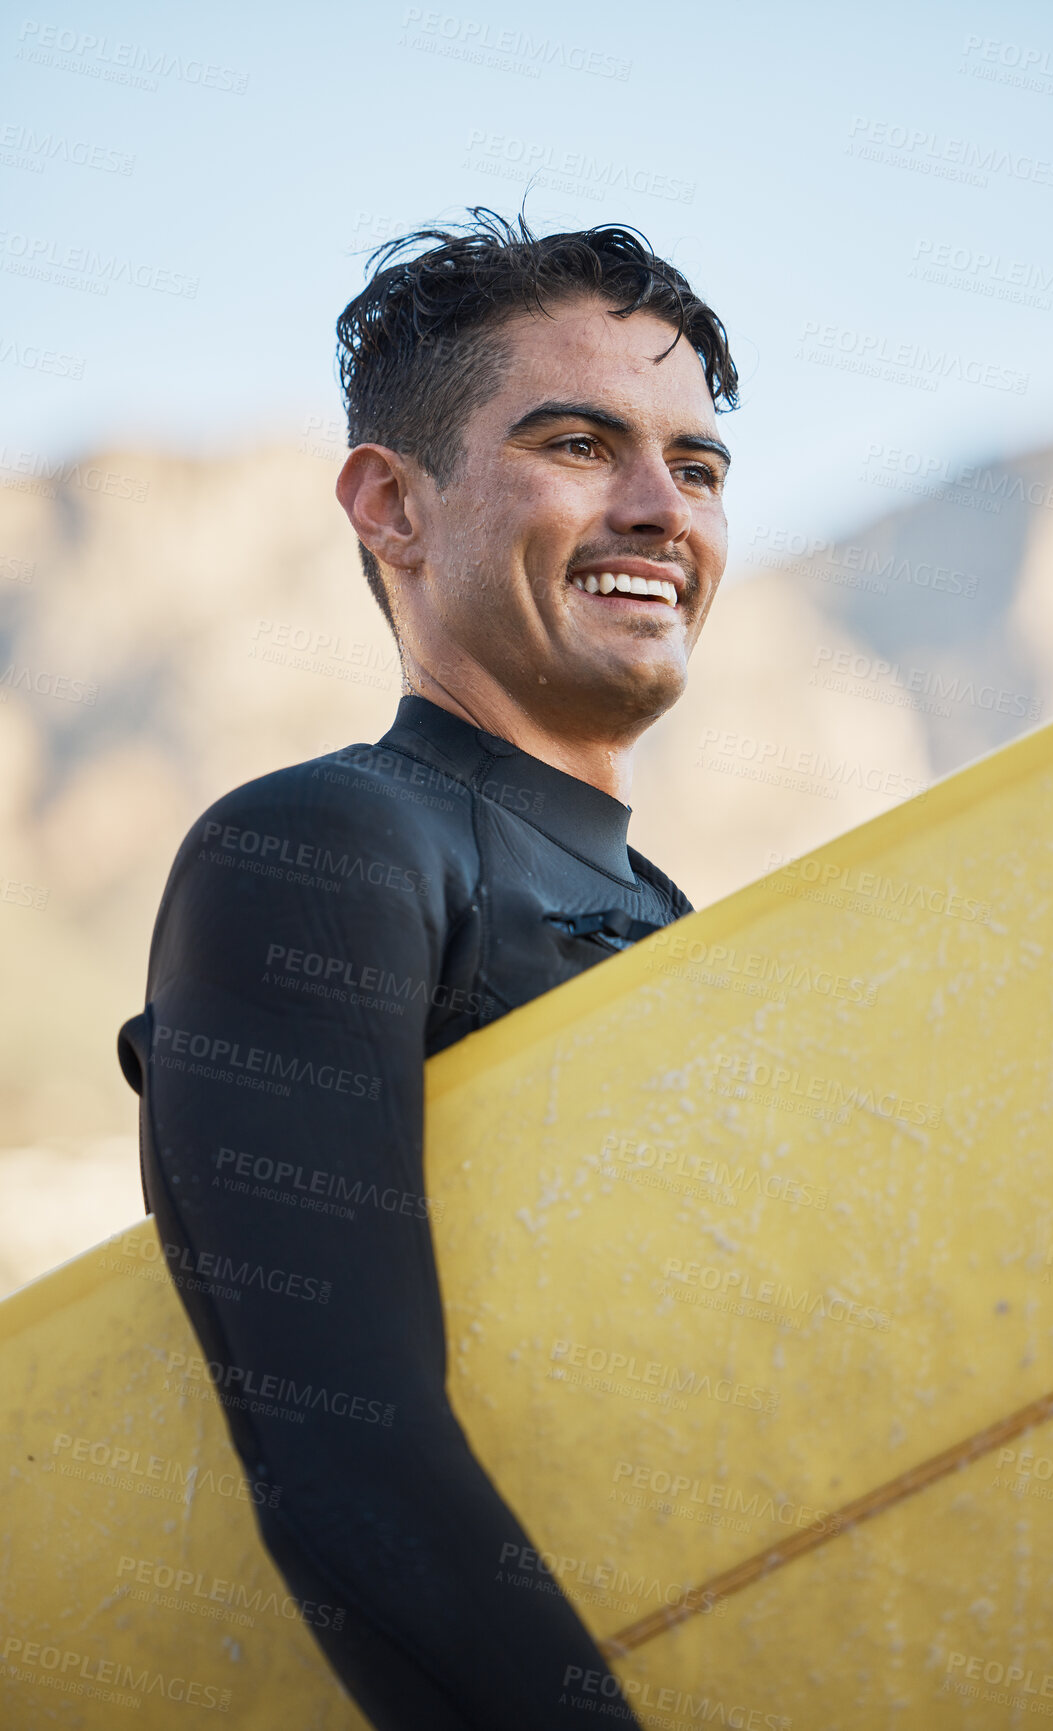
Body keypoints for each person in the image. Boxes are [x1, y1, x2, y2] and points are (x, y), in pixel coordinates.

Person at [118, 209, 737, 1729]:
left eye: (700, 466)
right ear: (393, 505)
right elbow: (345, 1453)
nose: (662, 507)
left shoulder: (667, 915)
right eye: (583, 444)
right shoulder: (323, 851)